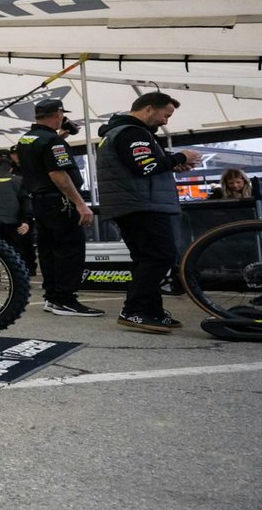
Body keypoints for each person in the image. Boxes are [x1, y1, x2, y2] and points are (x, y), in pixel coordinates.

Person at [96, 92, 195, 333]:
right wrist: (180, 156)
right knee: (159, 257)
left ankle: (151, 311)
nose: (166, 121)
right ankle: (135, 311)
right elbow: (145, 166)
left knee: (146, 259)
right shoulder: (132, 132)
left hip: (132, 204)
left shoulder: (122, 132)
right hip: (141, 205)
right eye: (165, 115)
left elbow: (142, 164)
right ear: (149, 108)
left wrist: (172, 163)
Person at [16, 98, 102, 316]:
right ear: (58, 114)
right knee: (70, 250)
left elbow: (42, 156)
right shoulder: (52, 141)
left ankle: (53, 297)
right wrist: (80, 203)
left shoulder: (26, 139)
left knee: (48, 250)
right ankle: (65, 300)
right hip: (59, 201)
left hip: (40, 201)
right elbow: (57, 173)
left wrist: (60, 136)